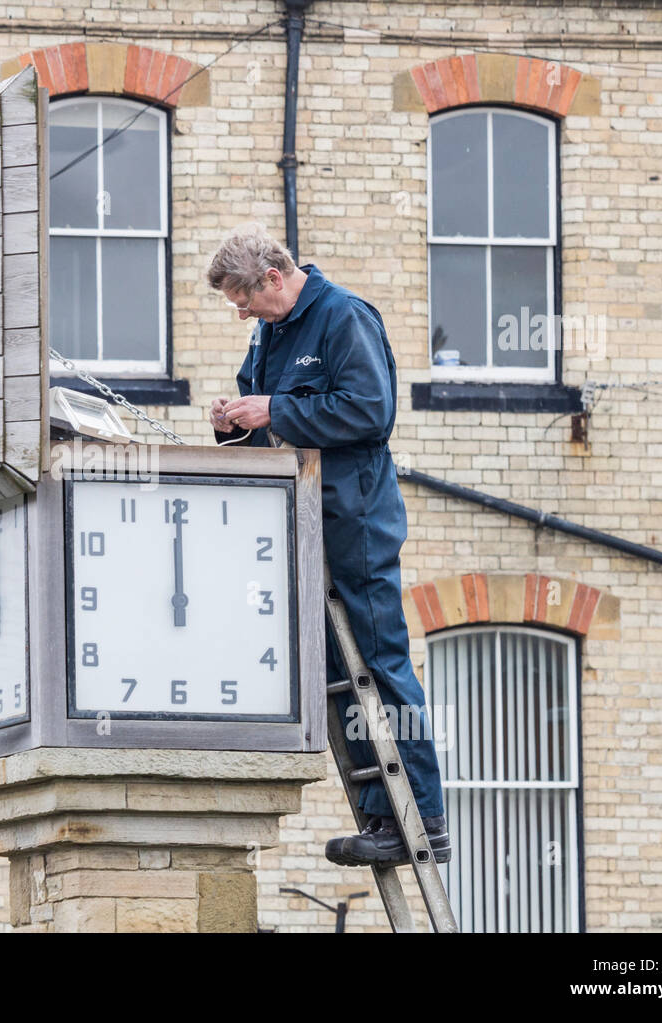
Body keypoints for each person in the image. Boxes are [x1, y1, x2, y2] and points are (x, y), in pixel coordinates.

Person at [205, 224, 450, 868]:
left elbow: (372, 411)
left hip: (355, 517)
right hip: (304, 519)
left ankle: (422, 816)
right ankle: (380, 816)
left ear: (274, 279)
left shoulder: (345, 317)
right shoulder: (272, 332)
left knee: (382, 663)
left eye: (243, 299)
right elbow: (266, 419)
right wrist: (234, 423)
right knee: (339, 675)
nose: (241, 312)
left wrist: (273, 411)